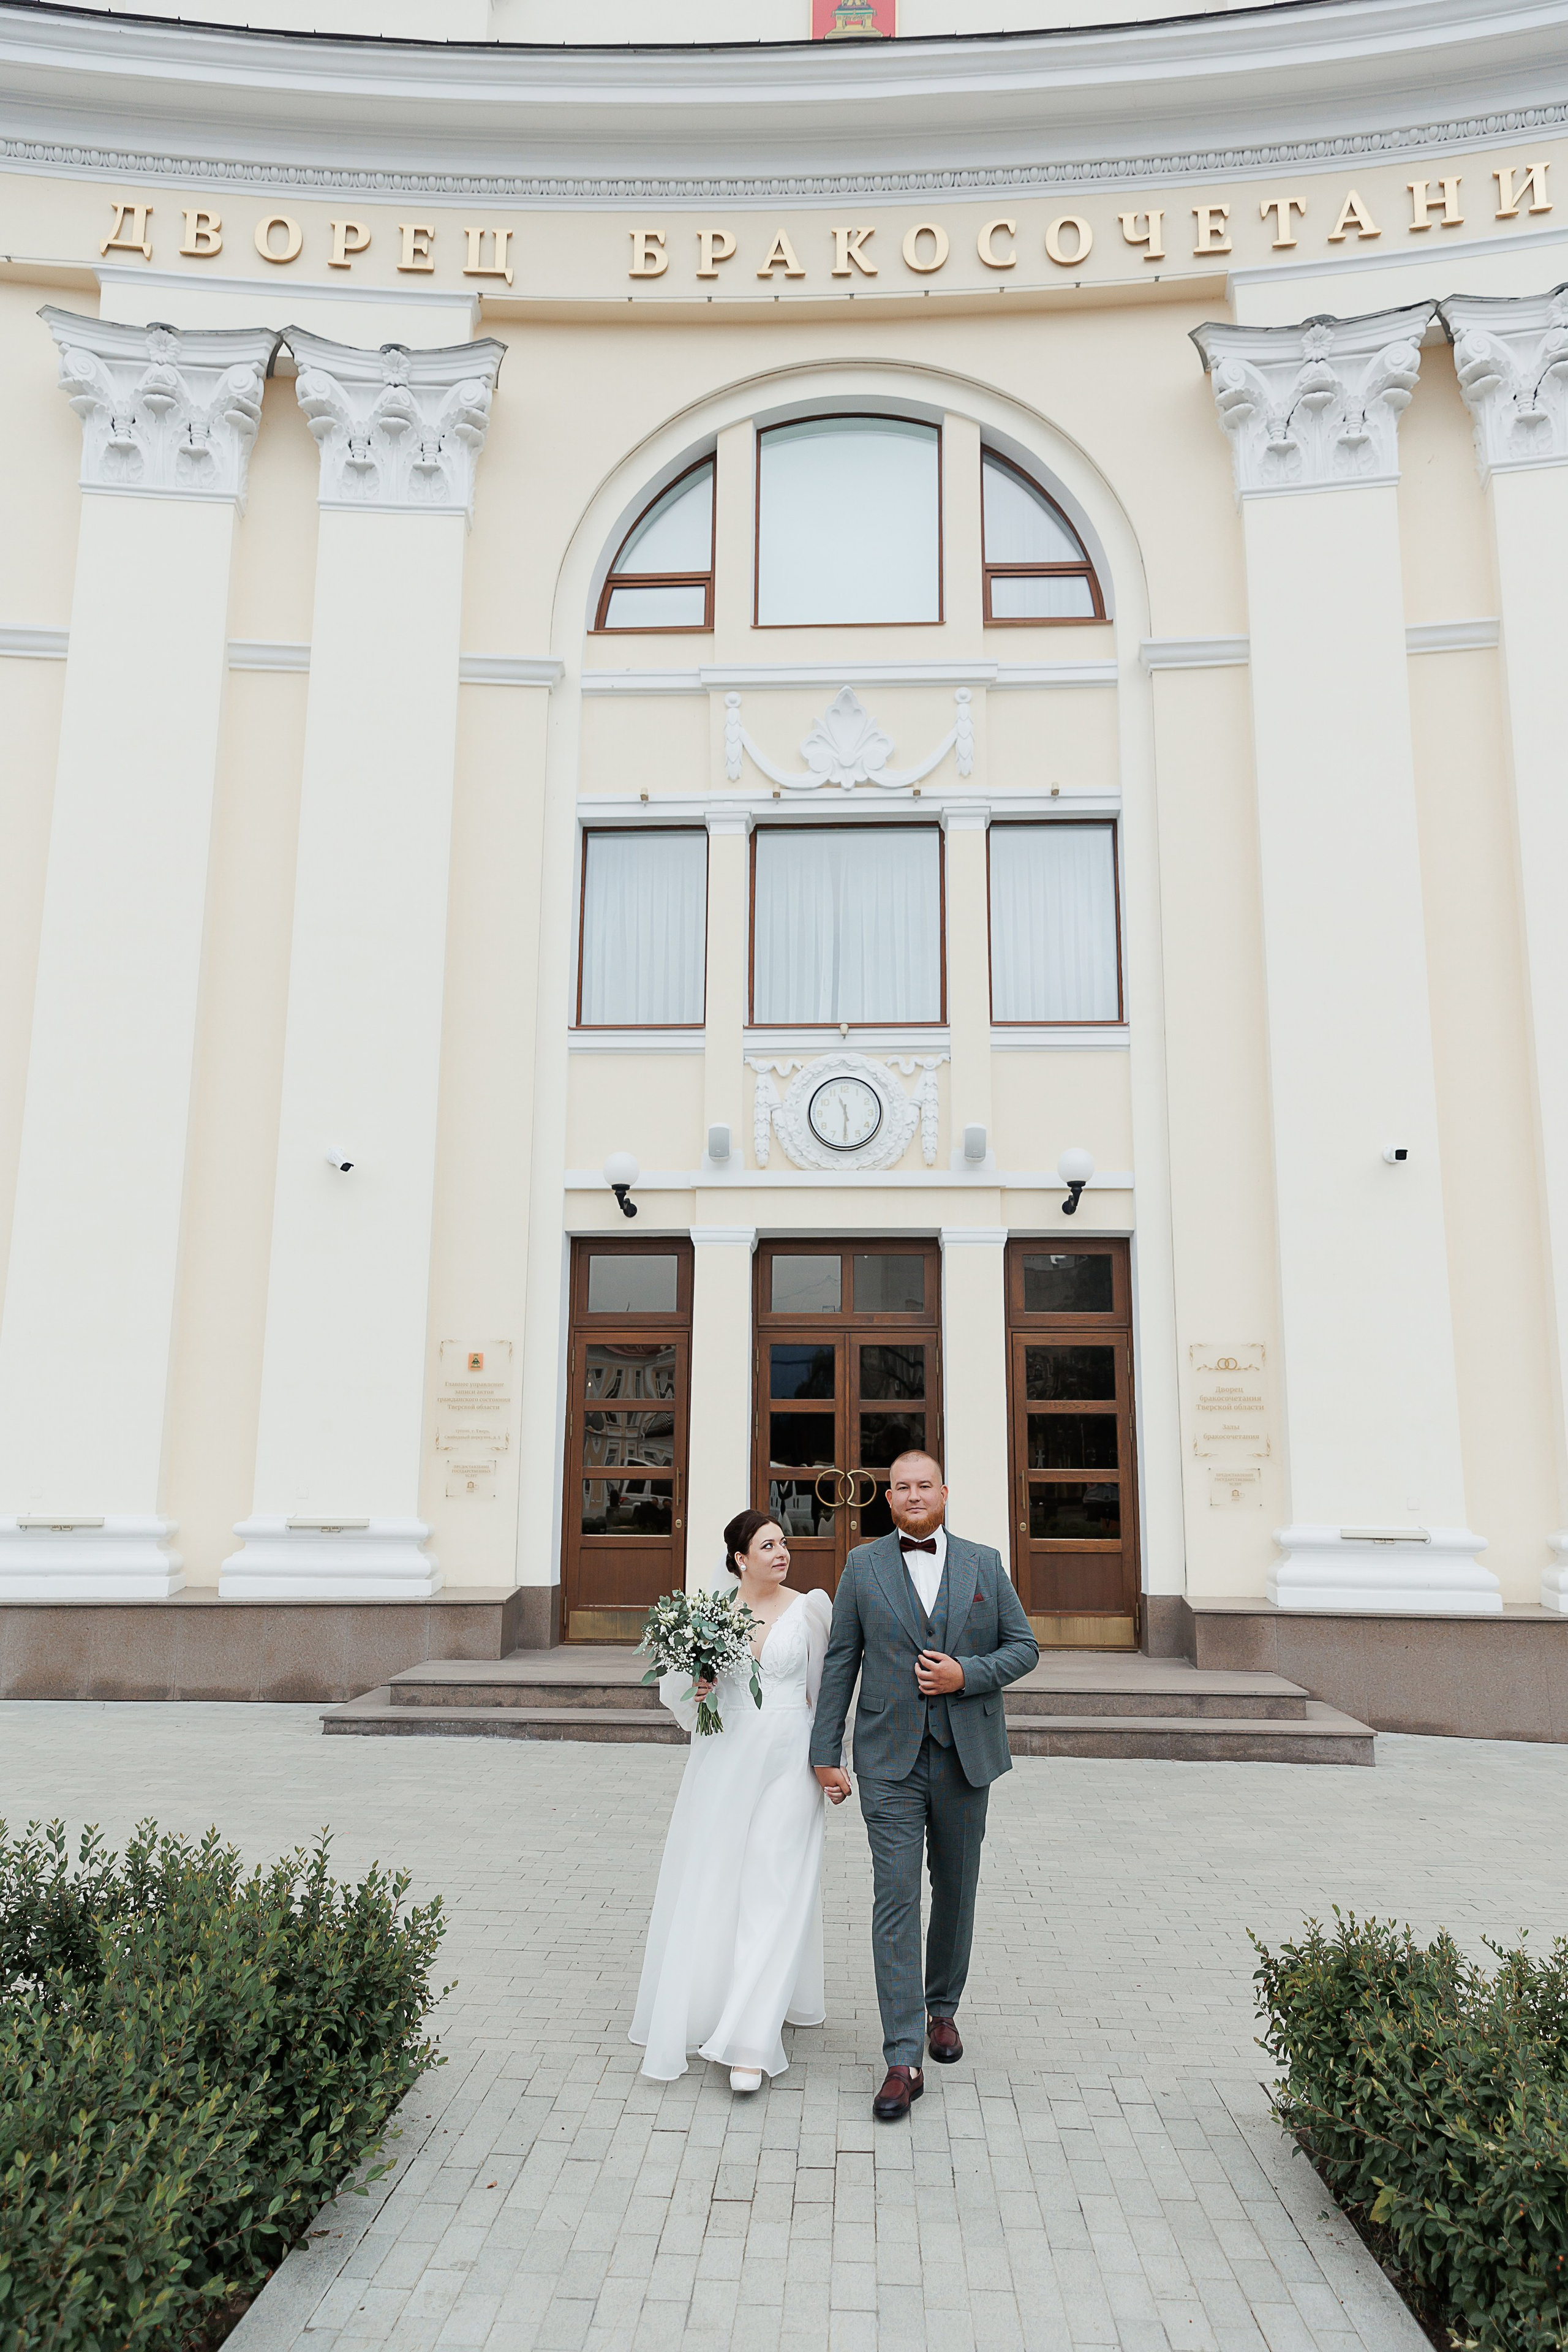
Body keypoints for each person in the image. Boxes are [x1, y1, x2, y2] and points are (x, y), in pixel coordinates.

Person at [810, 1450, 1039, 2121]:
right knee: (895, 1898)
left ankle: (943, 2008)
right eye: (901, 1487)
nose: (913, 1495)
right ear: (887, 1499)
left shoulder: (984, 1564)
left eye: (924, 1485)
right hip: (889, 1760)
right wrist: (825, 1752)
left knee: (956, 1891)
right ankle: (902, 2058)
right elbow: (841, 1661)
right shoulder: (863, 1566)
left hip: (966, 1758)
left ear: (944, 1492)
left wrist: (966, 1674)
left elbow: (1023, 1647)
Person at [630, 1509, 843, 2092]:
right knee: (719, 1883)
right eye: (767, 1545)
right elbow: (681, 1696)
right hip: (726, 1758)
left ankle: (750, 2042)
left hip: (792, 1760)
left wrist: (831, 1762)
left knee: (776, 1886)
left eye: (784, 1543)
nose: (782, 1553)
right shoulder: (710, 1616)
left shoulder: (811, 1609)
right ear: (740, 1559)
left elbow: (826, 1695)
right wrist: (698, 1689)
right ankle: (709, 2003)